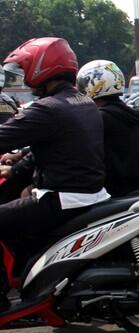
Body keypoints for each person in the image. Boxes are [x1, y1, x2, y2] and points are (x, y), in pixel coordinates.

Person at [0, 37, 108, 312]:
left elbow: (4, 136)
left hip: (61, 198)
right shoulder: (81, 101)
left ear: (41, 68)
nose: (23, 77)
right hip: (86, 193)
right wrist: (14, 167)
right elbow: (49, 149)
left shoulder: (47, 109)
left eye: (25, 69)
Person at [77, 60, 139, 197]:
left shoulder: (101, 118)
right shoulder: (126, 112)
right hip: (135, 182)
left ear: (94, 85)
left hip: (113, 189)